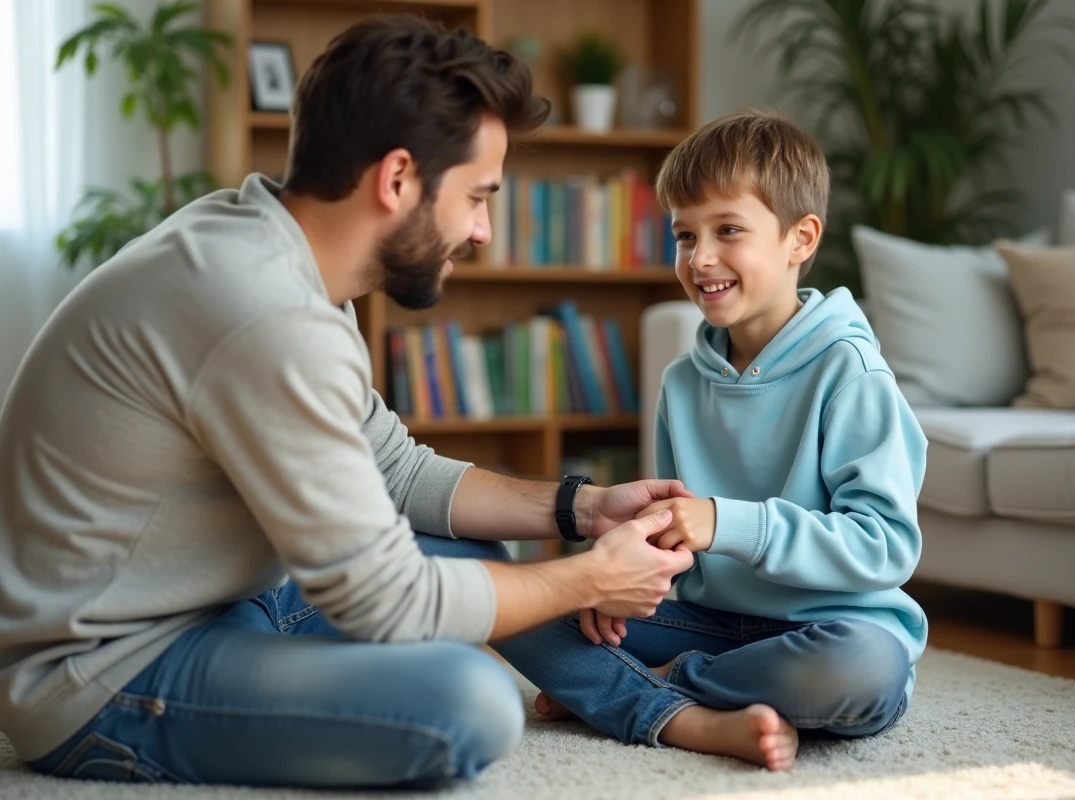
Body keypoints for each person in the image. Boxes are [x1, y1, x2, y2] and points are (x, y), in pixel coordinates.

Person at [0, 16, 696, 789]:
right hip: (103, 675)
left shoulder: (287, 259)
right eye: (476, 196)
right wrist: (588, 579)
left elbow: (395, 473)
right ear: (397, 179)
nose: (481, 231)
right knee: (469, 702)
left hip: (228, 601)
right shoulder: (263, 310)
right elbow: (384, 602)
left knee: (462, 548)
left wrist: (583, 509)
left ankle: (655, 708)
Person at [496, 111, 929, 771]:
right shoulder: (681, 382)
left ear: (800, 238)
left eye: (728, 230)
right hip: (712, 625)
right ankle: (673, 689)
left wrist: (728, 523)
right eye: (684, 235)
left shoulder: (852, 374)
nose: (700, 258)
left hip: (833, 631)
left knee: (863, 670)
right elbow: (678, 535)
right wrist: (616, 579)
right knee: (524, 606)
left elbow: (885, 545)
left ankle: (649, 687)